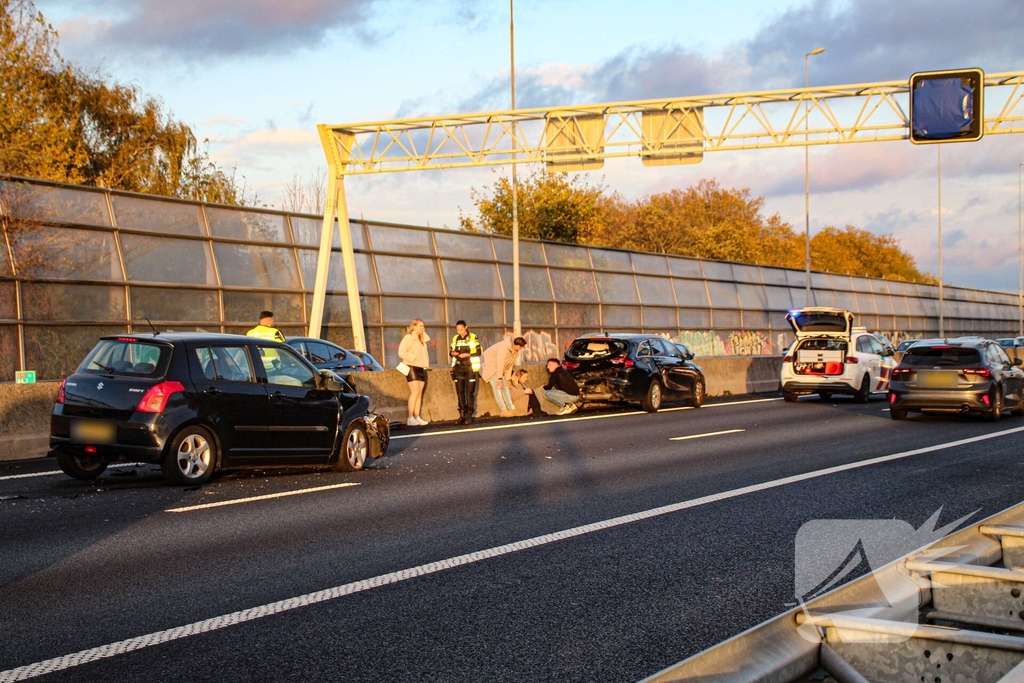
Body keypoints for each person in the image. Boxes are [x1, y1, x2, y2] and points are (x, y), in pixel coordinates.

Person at [480, 336, 526, 418]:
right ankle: (503, 410)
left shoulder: (515, 351)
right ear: (516, 345)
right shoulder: (503, 347)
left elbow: (510, 365)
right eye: (521, 347)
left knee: (506, 387)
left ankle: (511, 409)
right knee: (498, 388)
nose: (521, 349)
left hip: (497, 368)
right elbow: (500, 363)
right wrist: (499, 379)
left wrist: (508, 379)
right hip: (488, 366)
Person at [398, 318, 431, 427]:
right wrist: (413, 357)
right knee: (415, 391)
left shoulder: (422, 338)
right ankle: (410, 417)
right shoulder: (408, 338)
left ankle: (417, 417)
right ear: (414, 326)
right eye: (420, 326)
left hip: (421, 367)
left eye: (423, 326)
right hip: (411, 366)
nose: (422, 328)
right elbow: (401, 352)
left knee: (419, 393)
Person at [449, 320, 482, 425]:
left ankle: (469, 415)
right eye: (458, 330)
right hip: (458, 367)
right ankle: (462, 415)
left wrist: (468, 354)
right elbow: (451, 351)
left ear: (466, 327)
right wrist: (453, 353)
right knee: (460, 392)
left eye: (461, 329)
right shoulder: (455, 338)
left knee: (469, 392)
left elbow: (479, 351)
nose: (460, 332)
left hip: (470, 367)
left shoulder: (473, 337)